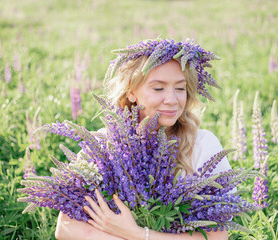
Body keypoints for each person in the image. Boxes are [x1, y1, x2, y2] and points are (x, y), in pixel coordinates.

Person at [55, 38, 233, 240]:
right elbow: (66, 227)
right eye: (158, 88)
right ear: (131, 93)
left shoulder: (202, 144)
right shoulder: (102, 145)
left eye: (180, 88)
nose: (172, 100)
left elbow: (217, 237)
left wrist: (137, 234)